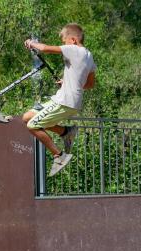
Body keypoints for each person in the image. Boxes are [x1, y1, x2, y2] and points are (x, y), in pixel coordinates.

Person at [22, 23, 96, 177]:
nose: (64, 45)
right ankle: (66, 132)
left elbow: (45, 48)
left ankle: (59, 155)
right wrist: (68, 82)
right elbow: (90, 84)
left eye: (64, 41)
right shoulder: (89, 56)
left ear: (73, 40)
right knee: (27, 117)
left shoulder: (74, 49)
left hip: (65, 101)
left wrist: (31, 43)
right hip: (68, 100)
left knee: (32, 125)